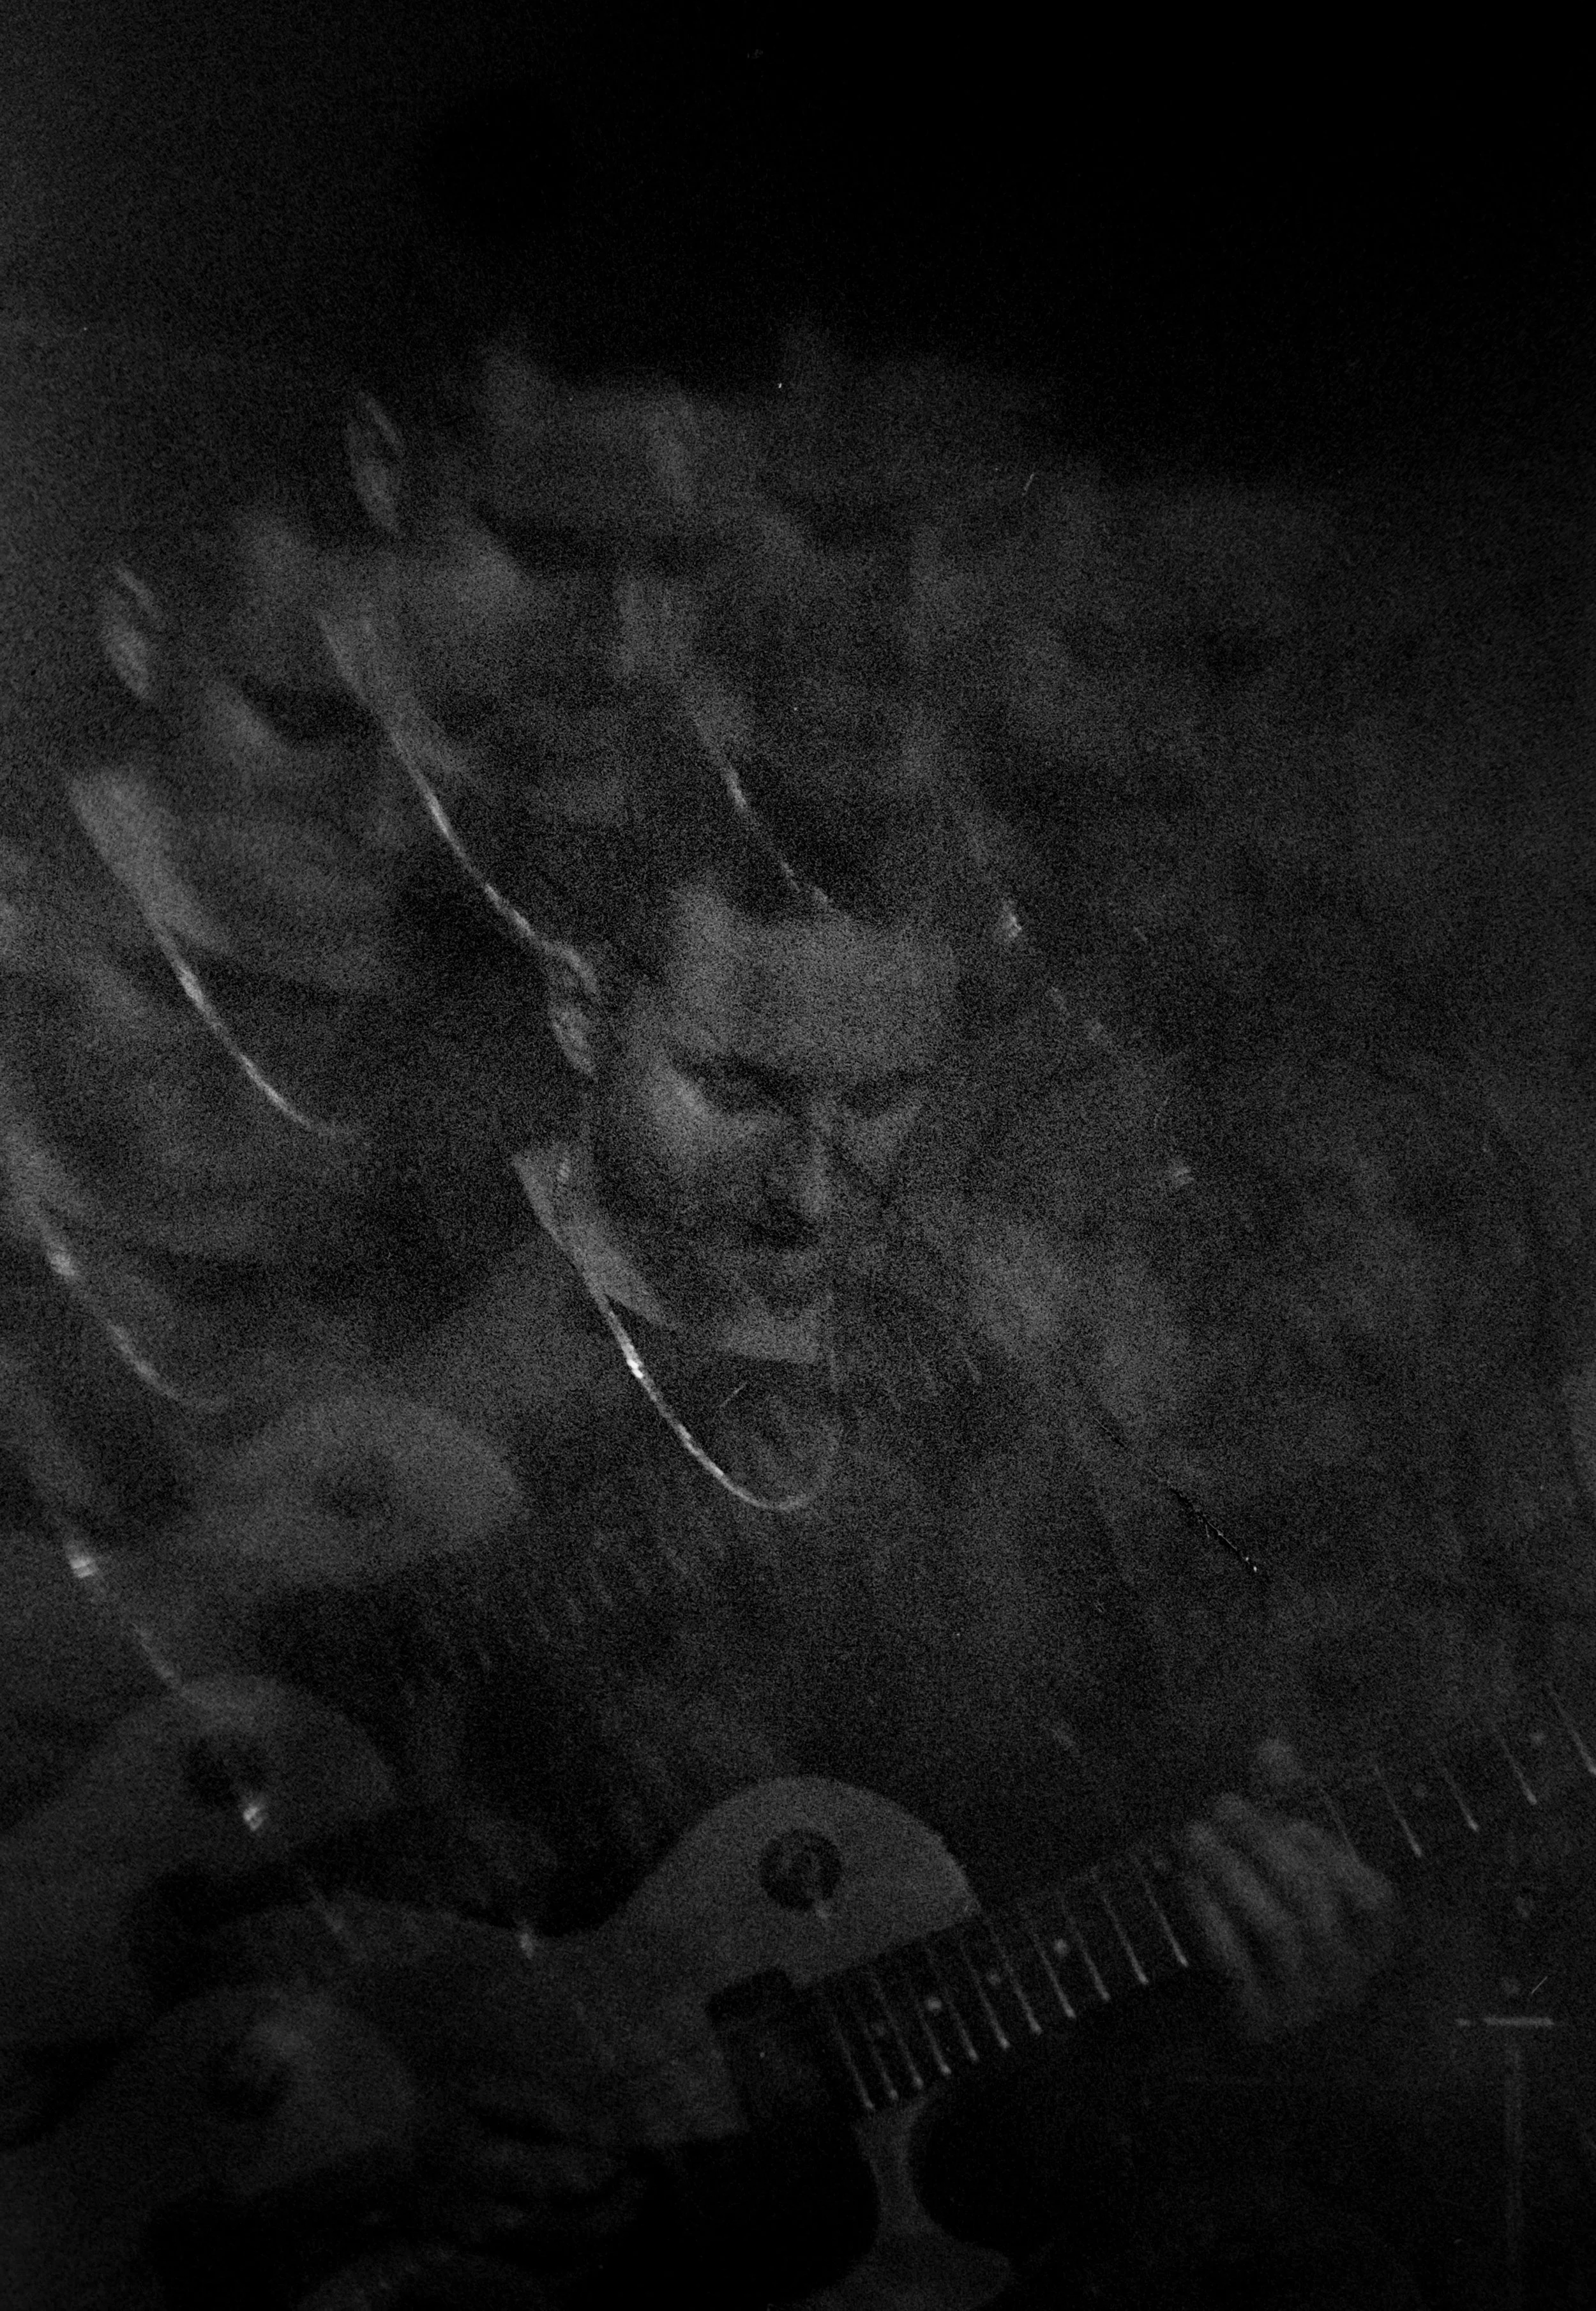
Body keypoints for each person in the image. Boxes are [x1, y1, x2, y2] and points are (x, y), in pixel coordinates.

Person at [144, 489, 1595, 2308]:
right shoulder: (376, 1319)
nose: (812, 1192)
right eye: (739, 1089)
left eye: (881, 1103)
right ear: (590, 1011)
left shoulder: (997, 1376)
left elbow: (1041, 1917)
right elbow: (144, 1874)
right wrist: (416, 2066)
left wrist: (1276, 1979)